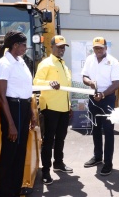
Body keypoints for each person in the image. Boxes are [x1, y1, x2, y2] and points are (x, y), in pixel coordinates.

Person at [0, 30, 37, 197]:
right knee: (10, 153)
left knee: (20, 152)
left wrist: (32, 113)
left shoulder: (20, 61)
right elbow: (1, 95)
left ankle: (15, 188)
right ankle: (6, 192)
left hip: (23, 108)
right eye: (23, 45)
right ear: (15, 45)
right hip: (13, 109)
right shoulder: (4, 63)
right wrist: (11, 124)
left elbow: (26, 89)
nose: (26, 48)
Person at [33, 35, 72, 185]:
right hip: (50, 108)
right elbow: (36, 82)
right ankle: (46, 171)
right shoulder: (46, 63)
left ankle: (59, 163)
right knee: (49, 140)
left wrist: (69, 107)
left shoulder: (64, 65)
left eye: (63, 47)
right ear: (51, 47)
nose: (62, 50)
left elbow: (66, 89)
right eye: (59, 47)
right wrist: (49, 82)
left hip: (63, 108)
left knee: (61, 138)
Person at [81, 37, 119, 176]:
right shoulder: (89, 59)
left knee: (108, 130)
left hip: (107, 99)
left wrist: (103, 95)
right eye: (96, 48)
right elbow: (84, 76)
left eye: (101, 48)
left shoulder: (113, 62)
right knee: (95, 128)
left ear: (106, 48)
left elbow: (116, 83)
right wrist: (90, 82)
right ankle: (98, 157)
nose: (98, 50)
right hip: (93, 98)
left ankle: (108, 162)